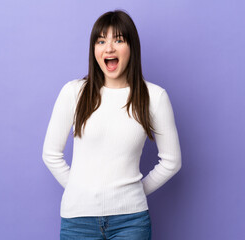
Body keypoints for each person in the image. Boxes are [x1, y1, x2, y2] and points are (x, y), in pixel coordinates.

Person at [42, 9, 182, 240]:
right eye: (101, 41)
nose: (109, 48)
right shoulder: (73, 92)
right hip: (77, 221)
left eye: (118, 40)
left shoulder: (154, 97)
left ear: (132, 48)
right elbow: (50, 154)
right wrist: (81, 191)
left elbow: (172, 161)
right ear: (94, 49)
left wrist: (132, 193)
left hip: (131, 222)